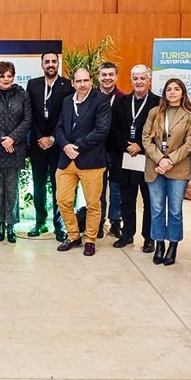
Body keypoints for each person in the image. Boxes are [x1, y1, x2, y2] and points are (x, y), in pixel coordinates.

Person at [142, 78, 191, 266]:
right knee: (157, 209)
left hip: (178, 170)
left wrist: (169, 161)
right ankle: (159, 243)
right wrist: (160, 159)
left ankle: (173, 245)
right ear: (164, 93)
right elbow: (146, 139)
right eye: (169, 89)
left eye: (176, 89)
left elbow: (189, 144)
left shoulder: (190, 115)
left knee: (175, 210)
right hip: (155, 167)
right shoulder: (154, 112)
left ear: (183, 93)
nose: (172, 92)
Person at [54, 67, 111, 256]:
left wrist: (77, 147)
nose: (82, 84)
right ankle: (73, 235)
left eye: (85, 80)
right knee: (62, 200)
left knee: (93, 203)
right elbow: (59, 128)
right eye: (78, 81)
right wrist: (65, 146)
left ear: (91, 82)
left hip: (91, 160)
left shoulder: (101, 100)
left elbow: (101, 130)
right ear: (73, 83)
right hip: (66, 160)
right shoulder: (67, 101)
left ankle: (90, 239)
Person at [109, 65, 160, 252]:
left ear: (149, 81)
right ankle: (127, 234)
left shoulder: (158, 103)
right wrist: (127, 145)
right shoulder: (121, 102)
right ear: (131, 81)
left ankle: (149, 238)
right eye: (135, 78)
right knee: (127, 199)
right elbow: (113, 128)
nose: (139, 82)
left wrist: (140, 145)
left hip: (148, 158)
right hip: (126, 157)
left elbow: (159, 130)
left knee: (148, 201)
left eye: (142, 78)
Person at [0, 61, 31, 244]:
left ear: (13, 77)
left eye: (9, 76)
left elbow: (27, 119)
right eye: (2, 76)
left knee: (12, 190)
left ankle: (11, 225)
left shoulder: (23, 95)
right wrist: (3, 139)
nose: (6, 79)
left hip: (15, 150)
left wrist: (12, 139)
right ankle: (0, 225)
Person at [25, 52, 73, 241]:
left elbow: (66, 115)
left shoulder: (67, 85)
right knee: (38, 185)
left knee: (58, 185)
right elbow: (30, 115)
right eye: (47, 62)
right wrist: (40, 137)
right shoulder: (33, 85)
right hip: (38, 144)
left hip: (58, 144)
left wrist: (52, 137)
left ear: (58, 63)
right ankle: (40, 222)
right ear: (42, 64)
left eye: (54, 61)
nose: (50, 64)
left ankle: (59, 225)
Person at [97, 61, 125, 238]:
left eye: (110, 75)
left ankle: (115, 222)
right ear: (98, 76)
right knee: (98, 189)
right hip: (96, 151)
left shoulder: (123, 98)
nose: (107, 78)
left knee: (116, 188)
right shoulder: (91, 97)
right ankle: (98, 221)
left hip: (117, 151)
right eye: (104, 75)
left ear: (116, 76)